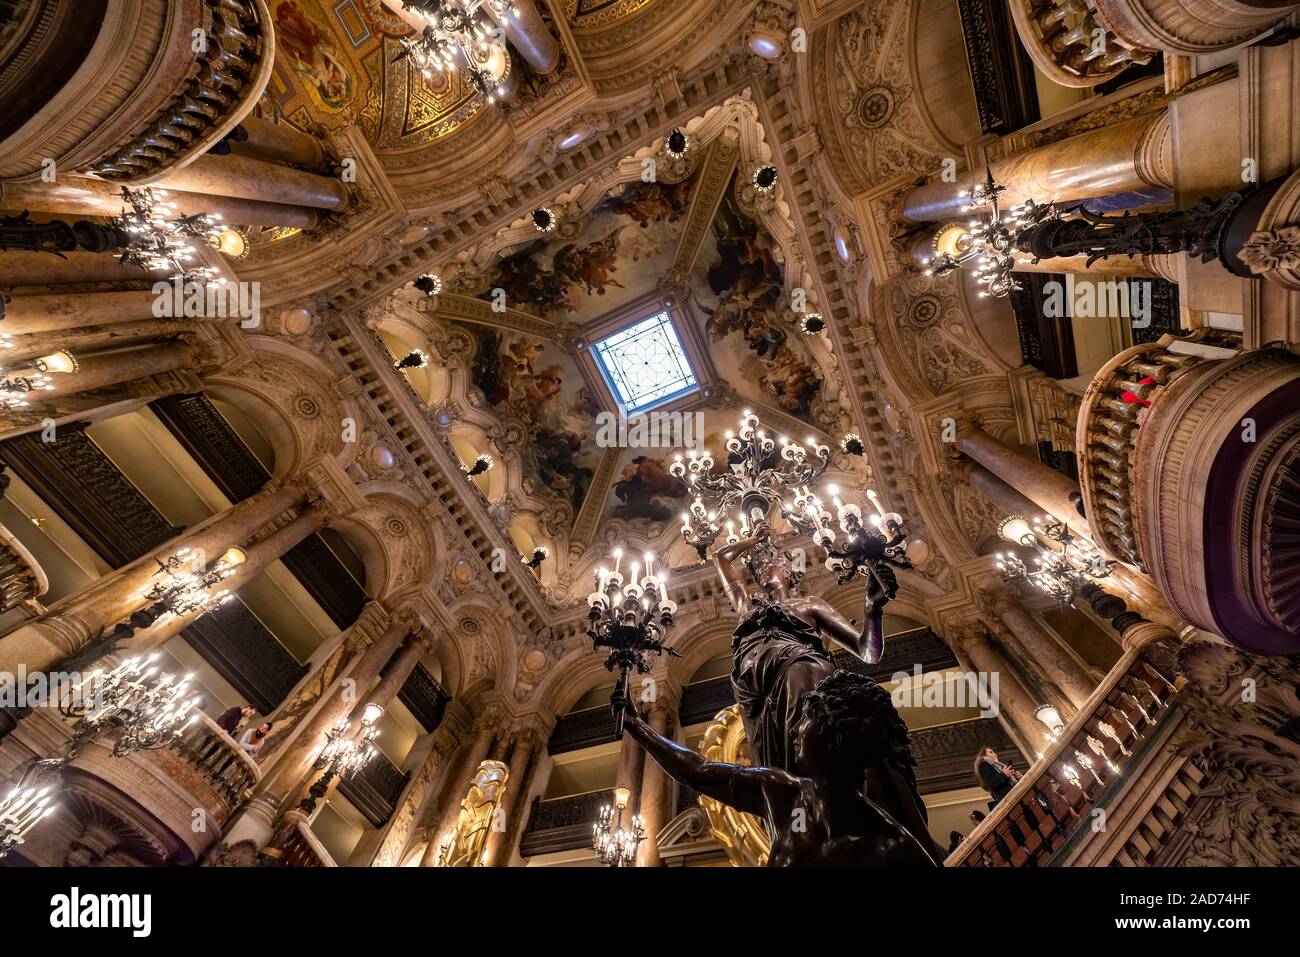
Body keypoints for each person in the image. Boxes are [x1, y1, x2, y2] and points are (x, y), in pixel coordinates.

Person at [616, 671, 939, 866]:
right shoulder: (782, 791)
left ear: (834, 735)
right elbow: (698, 771)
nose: (796, 729)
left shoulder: (892, 846)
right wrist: (637, 727)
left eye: (808, 719)